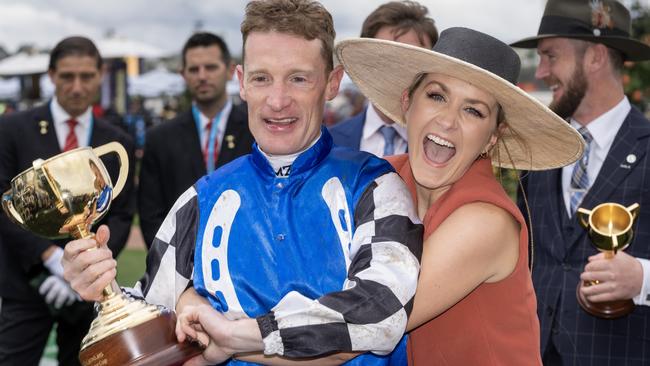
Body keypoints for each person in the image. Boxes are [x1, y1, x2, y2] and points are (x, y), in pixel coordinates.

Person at [62, 1, 423, 365]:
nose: (277, 101)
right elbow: (153, 313)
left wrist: (233, 335)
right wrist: (99, 285)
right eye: (261, 78)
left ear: (332, 84)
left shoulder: (375, 184)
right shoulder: (200, 199)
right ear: (241, 83)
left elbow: (379, 312)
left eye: (298, 78)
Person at [337, 27, 585, 365]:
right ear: (408, 103)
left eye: (474, 111)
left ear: (491, 139)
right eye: (437, 96)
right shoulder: (377, 177)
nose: (448, 121)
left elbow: (369, 322)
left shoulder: (486, 222)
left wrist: (244, 338)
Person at [510, 0, 650, 364]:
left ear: (596, 57)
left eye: (551, 56)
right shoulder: (536, 152)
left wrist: (642, 279)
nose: (541, 71)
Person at [0, 36, 135, 366]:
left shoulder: (117, 140)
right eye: (67, 76)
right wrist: (51, 261)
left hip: (88, 293)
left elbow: (119, 215)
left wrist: (88, 265)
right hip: (25, 284)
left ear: (101, 75)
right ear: (51, 76)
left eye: (86, 76)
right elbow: (2, 203)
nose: (77, 86)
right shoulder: (11, 128)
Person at [138, 32, 255, 248]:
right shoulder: (160, 138)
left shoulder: (256, 129)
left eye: (210, 67)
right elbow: (150, 215)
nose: (202, 76)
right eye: (193, 69)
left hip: (245, 263)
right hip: (179, 269)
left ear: (231, 71)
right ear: (183, 75)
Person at [329, 0, 438, 157]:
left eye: (414, 58)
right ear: (364, 61)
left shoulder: (446, 148)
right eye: (384, 56)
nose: (399, 67)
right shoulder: (328, 143)